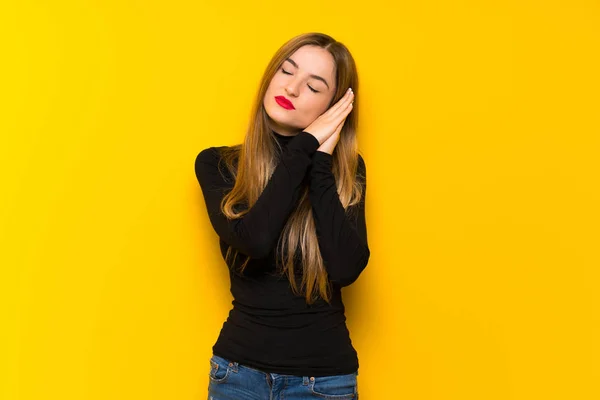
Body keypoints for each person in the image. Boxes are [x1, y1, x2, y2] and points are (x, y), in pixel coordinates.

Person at [194, 32, 369, 400]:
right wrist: (306, 144)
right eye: (286, 71)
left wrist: (320, 163)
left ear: (333, 107)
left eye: (313, 86)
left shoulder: (344, 173)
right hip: (238, 378)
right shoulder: (219, 165)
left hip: (325, 384)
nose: (291, 88)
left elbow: (345, 269)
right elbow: (255, 240)